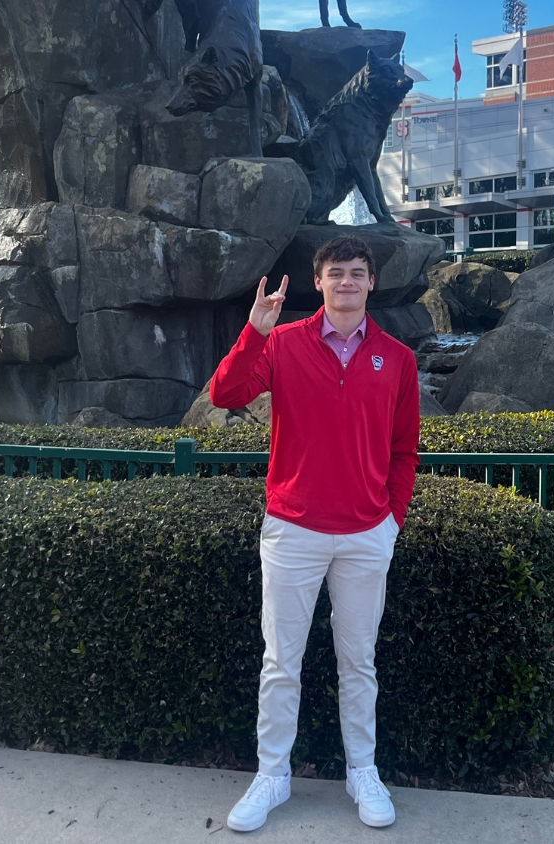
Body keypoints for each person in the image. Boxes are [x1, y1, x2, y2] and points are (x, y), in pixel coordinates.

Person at [210, 235, 421, 832]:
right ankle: (272, 776)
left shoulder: (397, 359)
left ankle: (363, 772)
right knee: (282, 662)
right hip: (293, 530)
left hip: (364, 535)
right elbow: (226, 394)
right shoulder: (282, 344)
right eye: (336, 273)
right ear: (319, 282)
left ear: (371, 283)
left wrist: (390, 521)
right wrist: (254, 329)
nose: (347, 282)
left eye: (357, 273)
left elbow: (405, 449)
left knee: (359, 664)